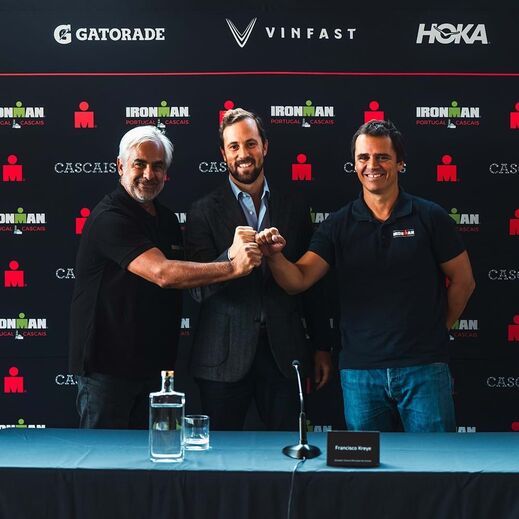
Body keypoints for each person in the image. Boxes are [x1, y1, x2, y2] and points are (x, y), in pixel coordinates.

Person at [256, 120, 476, 432]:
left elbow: (464, 281)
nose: (372, 165)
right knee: (366, 464)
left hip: (424, 368)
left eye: (382, 157)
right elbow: (298, 279)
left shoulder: (430, 217)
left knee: (434, 460)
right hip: (360, 373)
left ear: (400, 163)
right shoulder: (337, 225)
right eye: (363, 157)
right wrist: (274, 255)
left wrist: (437, 330)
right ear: (354, 164)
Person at [69, 125, 262, 429]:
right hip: (107, 371)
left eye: (158, 166)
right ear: (120, 166)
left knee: (153, 457)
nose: (149, 174)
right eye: (140, 164)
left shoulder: (168, 220)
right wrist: (234, 265)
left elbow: (190, 275)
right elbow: (163, 273)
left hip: (154, 371)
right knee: (103, 459)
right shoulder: (109, 218)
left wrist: (253, 247)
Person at [184, 108, 333, 431]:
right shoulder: (202, 211)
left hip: (286, 353)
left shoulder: (294, 206)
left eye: (250, 144)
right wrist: (232, 257)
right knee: (220, 454)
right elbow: (196, 289)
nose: (243, 154)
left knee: (287, 451)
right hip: (222, 357)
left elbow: (312, 284)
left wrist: (322, 345)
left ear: (264, 146)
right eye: (234, 146)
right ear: (223, 154)